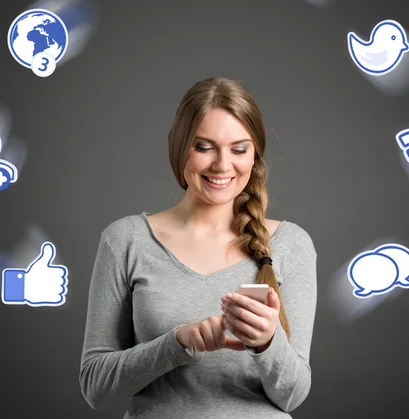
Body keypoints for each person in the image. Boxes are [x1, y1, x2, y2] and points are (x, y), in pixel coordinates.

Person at [79, 77, 318, 418]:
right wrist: (176, 343)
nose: (222, 165)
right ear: (179, 148)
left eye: (239, 148)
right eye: (204, 147)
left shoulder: (292, 245)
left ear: (255, 155)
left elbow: (292, 396)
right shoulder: (125, 241)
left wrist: (268, 341)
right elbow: (96, 388)